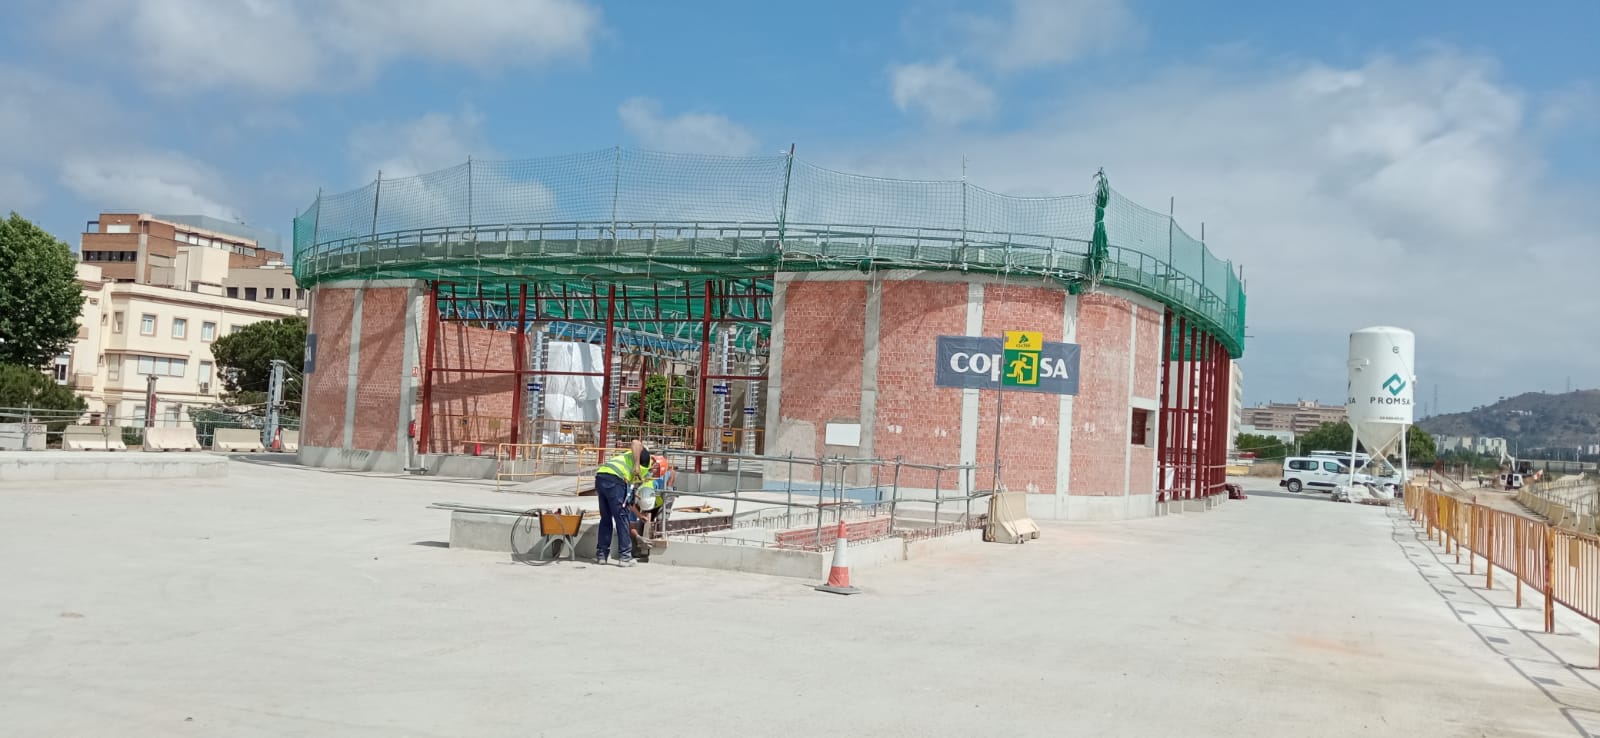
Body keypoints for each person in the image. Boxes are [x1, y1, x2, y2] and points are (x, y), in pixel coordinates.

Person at [593, 440, 652, 567]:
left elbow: (629, 497)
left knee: (606, 519)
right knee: (621, 518)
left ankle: (602, 555)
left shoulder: (626, 459)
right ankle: (625, 556)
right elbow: (636, 442)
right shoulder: (644, 459)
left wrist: (632, 493)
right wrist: (637, 465)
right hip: (615, 480)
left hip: (601, 477)